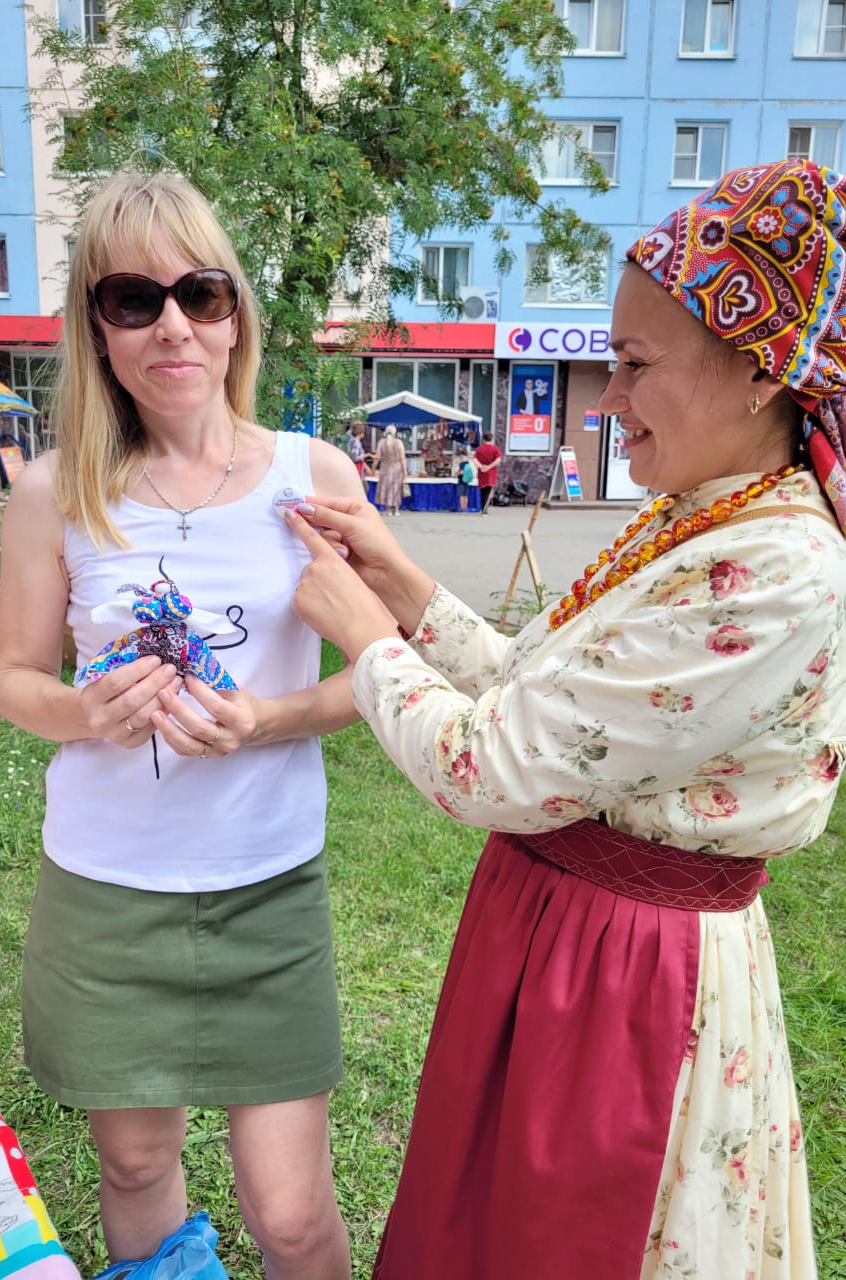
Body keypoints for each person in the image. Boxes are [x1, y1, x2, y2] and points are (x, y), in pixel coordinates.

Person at [286, 159, 846, 1278]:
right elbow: (538, 691)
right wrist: (401, 579)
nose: (608, 400)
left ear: (754, 368)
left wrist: (367, 638)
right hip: (567, 935)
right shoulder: (706, 516)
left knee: (578, 1232)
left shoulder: (780, 566)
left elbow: (496, 764)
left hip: (629, 976)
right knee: (494, 1221)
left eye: (636, 364)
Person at [0, 170, 364, 1280]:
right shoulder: (56, 489)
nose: (172, 326)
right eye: (131, 299)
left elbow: (383, 675)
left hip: (267, 890)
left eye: (199, 293)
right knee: (138, 1166)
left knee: (292, 1212)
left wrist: (267, 719)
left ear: (235, 310)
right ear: (94, 327)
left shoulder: (313, 477)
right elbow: (14, 673)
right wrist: (83, 709)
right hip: (107, 893)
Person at [374, 423, 408, 516]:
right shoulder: (399, 442)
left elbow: (377, 457)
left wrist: (373, 468)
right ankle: (396, 510)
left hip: (385, 468)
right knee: (396, 489)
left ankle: (388, 509)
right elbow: (402, 458)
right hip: (397, 468)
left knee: (386, 488)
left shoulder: (381, 442)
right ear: (395, 432)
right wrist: (405, 472)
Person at [472, 431, 501, 513]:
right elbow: (498, 460)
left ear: (483, 439)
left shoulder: (479, 449)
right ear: (491, 439)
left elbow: (474, 459)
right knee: (488, 491)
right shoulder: (495, 449)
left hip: (481, 473)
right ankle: (485, 509)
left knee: (482, 490)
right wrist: (489, 467)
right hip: (491, 473)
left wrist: (481, 466)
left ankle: (482, 507)